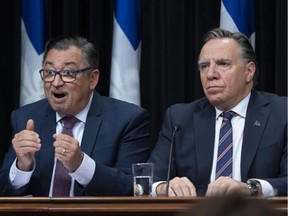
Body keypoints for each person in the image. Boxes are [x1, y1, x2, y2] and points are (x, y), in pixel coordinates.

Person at [0, 35, 151, 196]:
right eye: (49, 72)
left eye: (68, 73)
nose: (56, 82)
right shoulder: (26, 117)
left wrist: (81, 165)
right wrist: (22, 167)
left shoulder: (127, 119)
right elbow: (4, 191)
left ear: (92, 79)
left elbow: (134, 188)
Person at [148, 28, 287, 197]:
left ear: (249, 71)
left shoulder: (281, 113)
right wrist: (164, 187)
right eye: (204, 66)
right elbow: (149, 180)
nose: (211, 74)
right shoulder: (179, 118)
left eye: (223, 64)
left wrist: (251, 188)